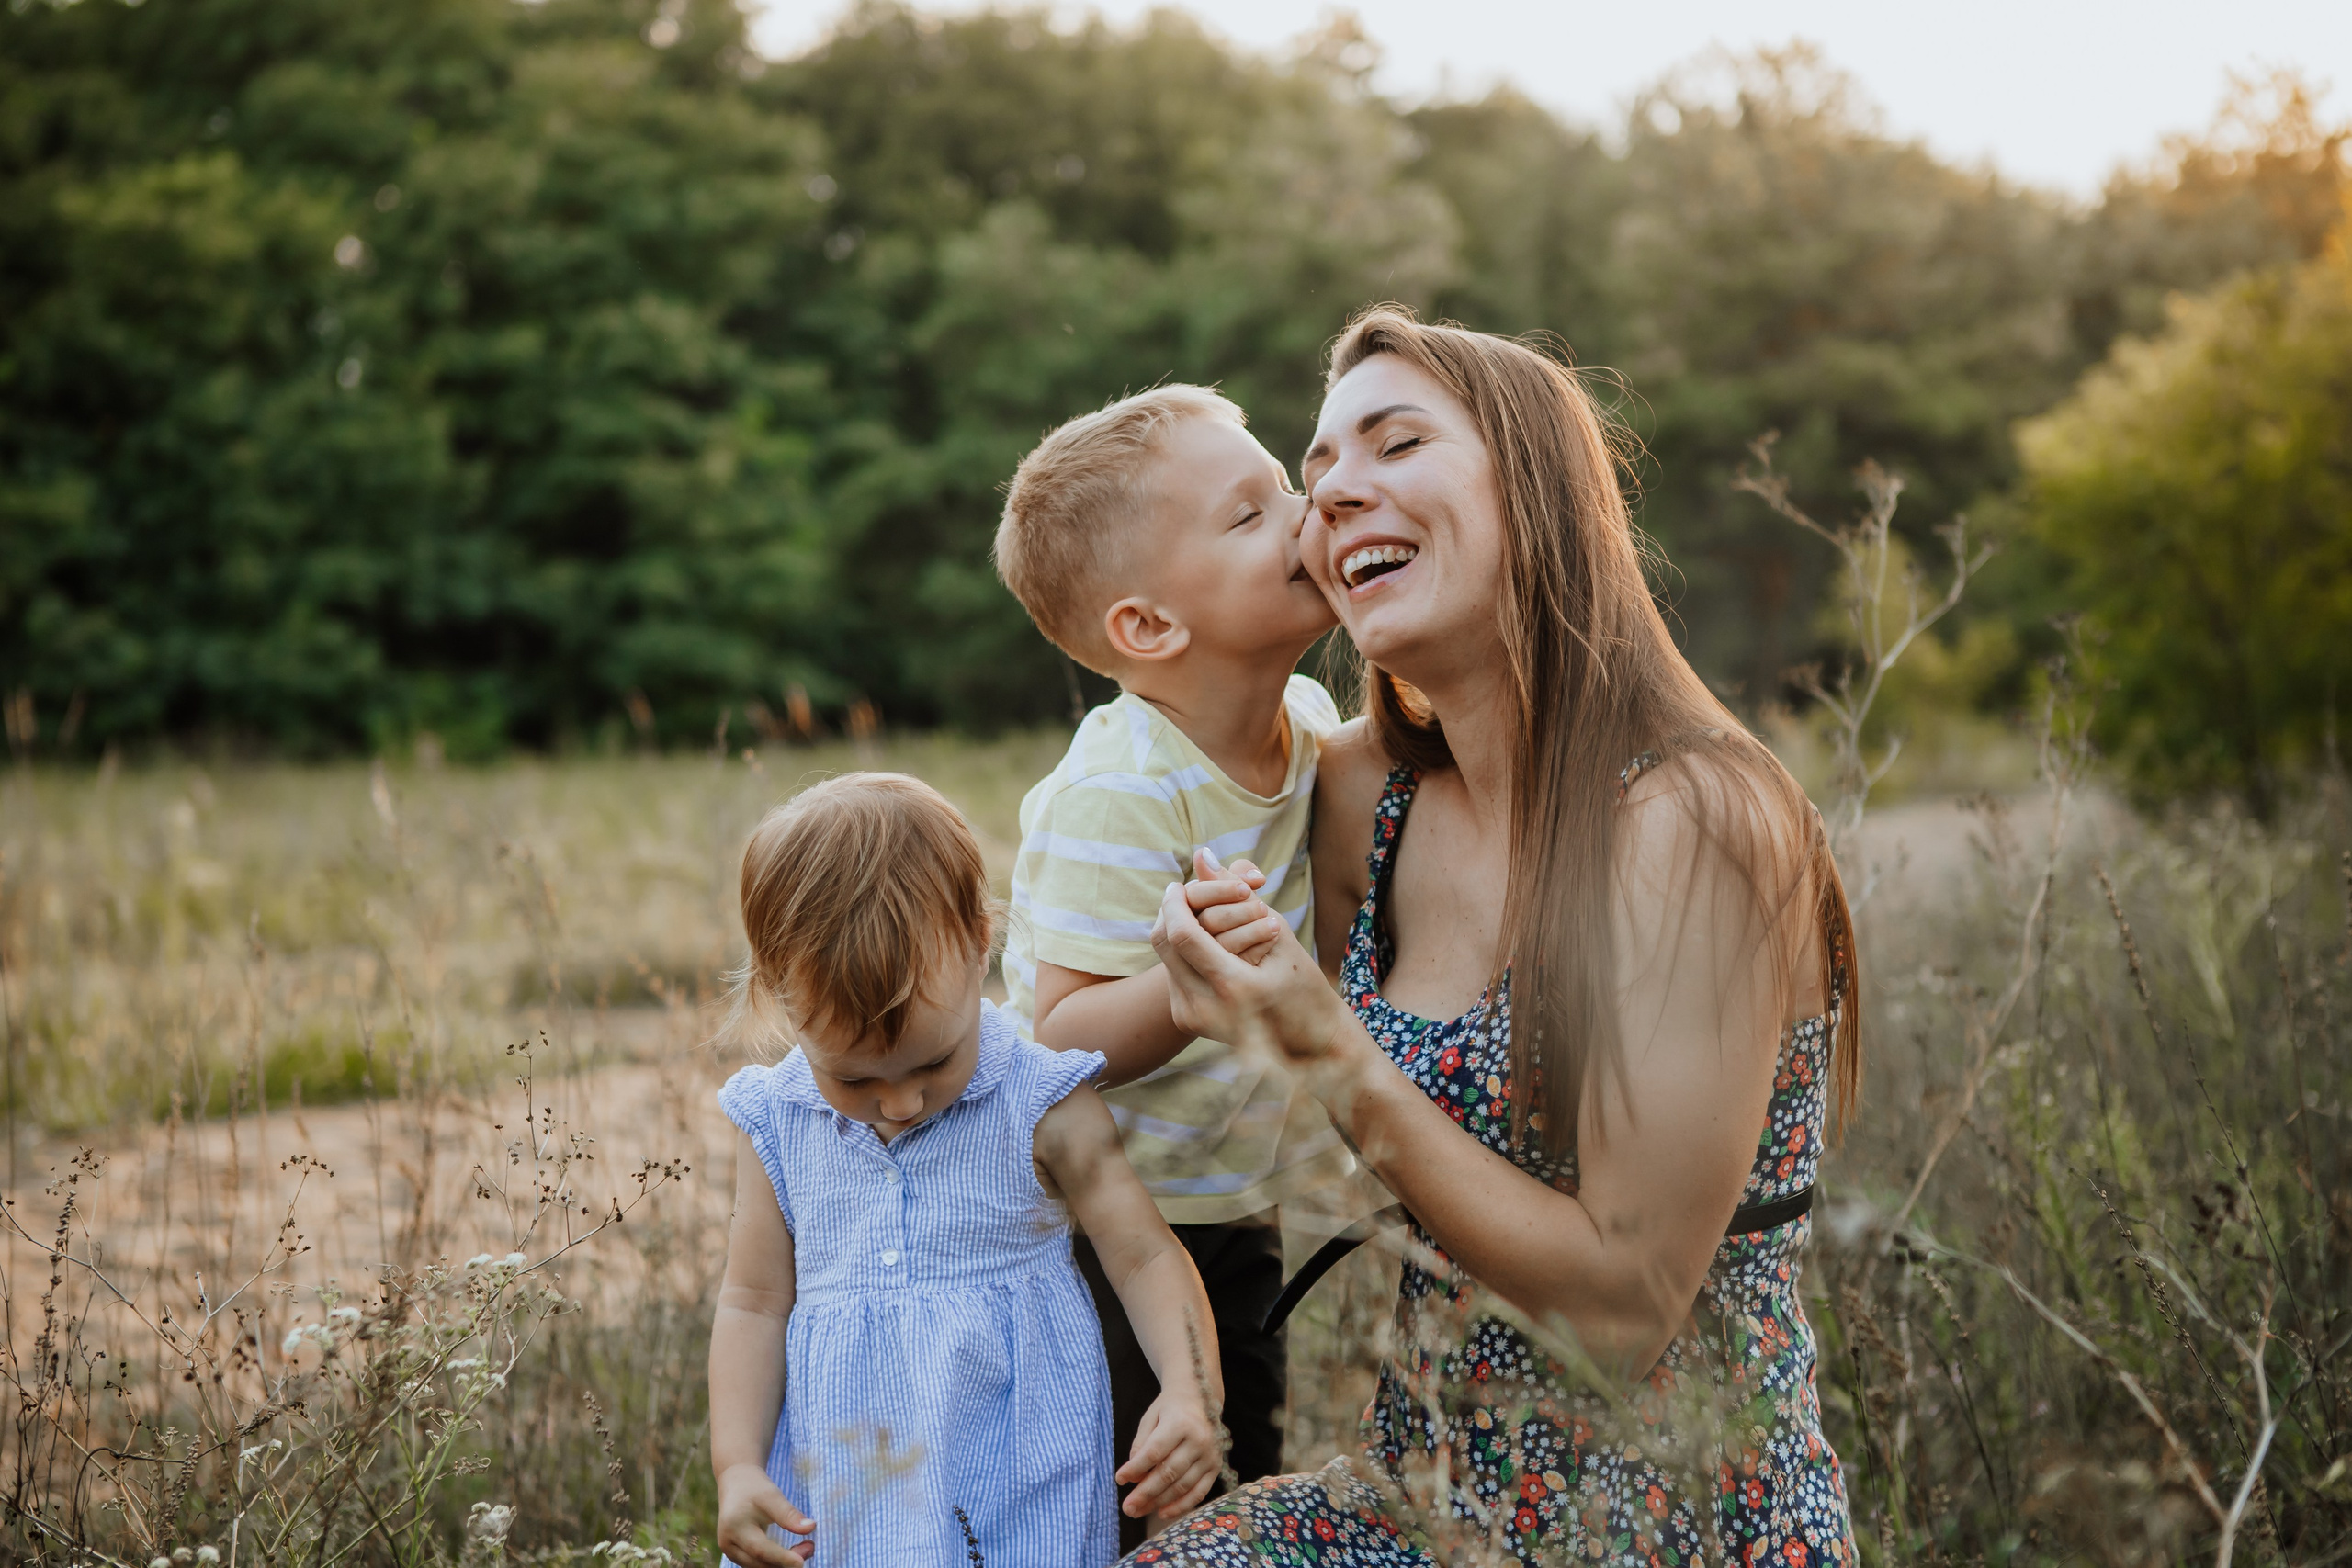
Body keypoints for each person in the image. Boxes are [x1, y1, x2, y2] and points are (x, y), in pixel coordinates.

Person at [1122, 310, 1863, 1567]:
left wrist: (1326, 1050)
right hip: (1417, 1498)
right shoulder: (1369, 802)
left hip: (1675, 1514)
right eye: (1314, 478)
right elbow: (1156, 716)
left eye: (1396, 441)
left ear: (1539, 488)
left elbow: (1629, 1305)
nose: (1336, 491)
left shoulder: (1700, 817)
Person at [993, 387, 1359, 1546]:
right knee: (1138, 1506)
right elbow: (1054, 1035)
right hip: (1108, 1230)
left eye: (1285, 488)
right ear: (1148, 629)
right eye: (1251, 514)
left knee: (1240, 1485)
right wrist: (1185, 992)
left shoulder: (1303, 716)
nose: (1306, 512)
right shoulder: (1125, 786)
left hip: (1225, 1200)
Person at [707, 773, 1230, 1568]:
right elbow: (751, 1303)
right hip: (842, 1486)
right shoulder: (776, 1120)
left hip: (1019, 1474)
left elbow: (1144, 1252)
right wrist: (737, 1463)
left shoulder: (1041, 1100)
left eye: (935, 1060)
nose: (902, 1102)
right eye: (853, 1079)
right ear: (781, 994)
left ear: (983, 944)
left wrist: (1192, 1390)